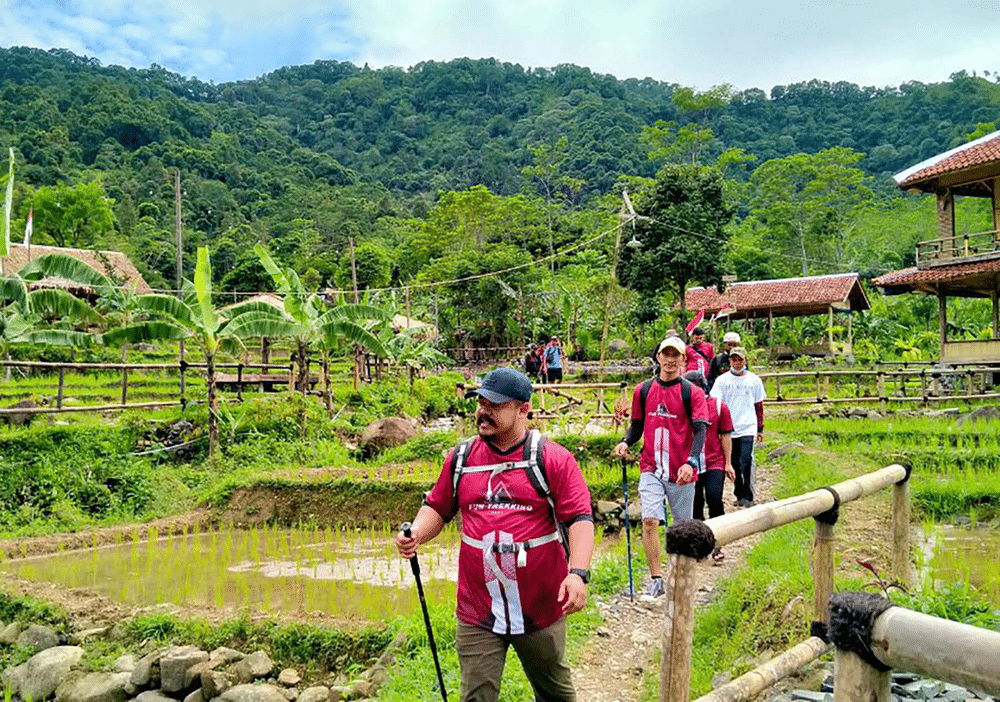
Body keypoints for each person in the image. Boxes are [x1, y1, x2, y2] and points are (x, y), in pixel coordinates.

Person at [395, 367, 594, 702]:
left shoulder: (551, 458)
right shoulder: (461, 458)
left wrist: (577, 574)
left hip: (540, 604)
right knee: (477, 696)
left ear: (523, 409)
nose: (483, 411)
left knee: (555, 693)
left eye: (495, 405)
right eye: (481, 402)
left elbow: (580, 519)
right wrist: (416, 533)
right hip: (478, 608)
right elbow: (439, 507)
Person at [612, 337, 708, 597]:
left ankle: (681, 576)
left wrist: (691, 462)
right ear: (658, 358)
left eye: (675, 355)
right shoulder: (642, 390)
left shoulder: (692, 393)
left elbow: (700, 431)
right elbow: (636, 427)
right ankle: (656, 579)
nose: (670, 359)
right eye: (665, 354)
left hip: (681, 471)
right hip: (651, 466)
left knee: (682, 528)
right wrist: (625, 442)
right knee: (650, 521)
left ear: (682, 360)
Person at [684, 371, 735, 562]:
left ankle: (718, 543)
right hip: (691, 464)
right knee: (695, 505)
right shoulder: (683, 407)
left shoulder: (718, 407)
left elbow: (726, 435)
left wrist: (728, 463)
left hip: (715, 461)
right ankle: (700, 546)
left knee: (714, 499)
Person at [710, 347, 765, 507]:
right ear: (730, 362)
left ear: (745, 360)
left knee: (746, 460)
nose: (737, 363)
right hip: (729, 428)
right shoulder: (722, 381)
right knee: (733, 462)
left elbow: (759, 405)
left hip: (748, 425)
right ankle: (739, 493)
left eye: (740, 360)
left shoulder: (754, 380)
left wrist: (760, 428)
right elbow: (716, 404)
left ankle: (748, 495)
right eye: (734, 360)